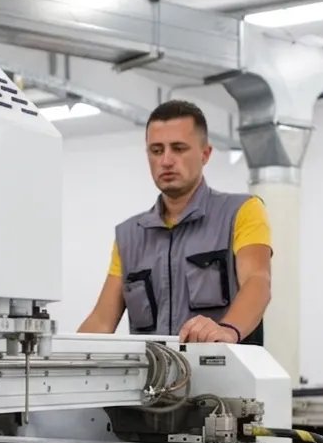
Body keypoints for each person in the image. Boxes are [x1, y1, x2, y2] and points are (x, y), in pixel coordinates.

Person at [77, 100, 272, 344]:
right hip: (154, 370)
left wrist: (227, 331)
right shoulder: (129, 236)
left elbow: (257, 282)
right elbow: (101, 321)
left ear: (205, 154)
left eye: (178, 148)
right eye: (157, 150)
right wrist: (57, 357)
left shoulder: (241, 211)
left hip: (220, 367)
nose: (166, 161)